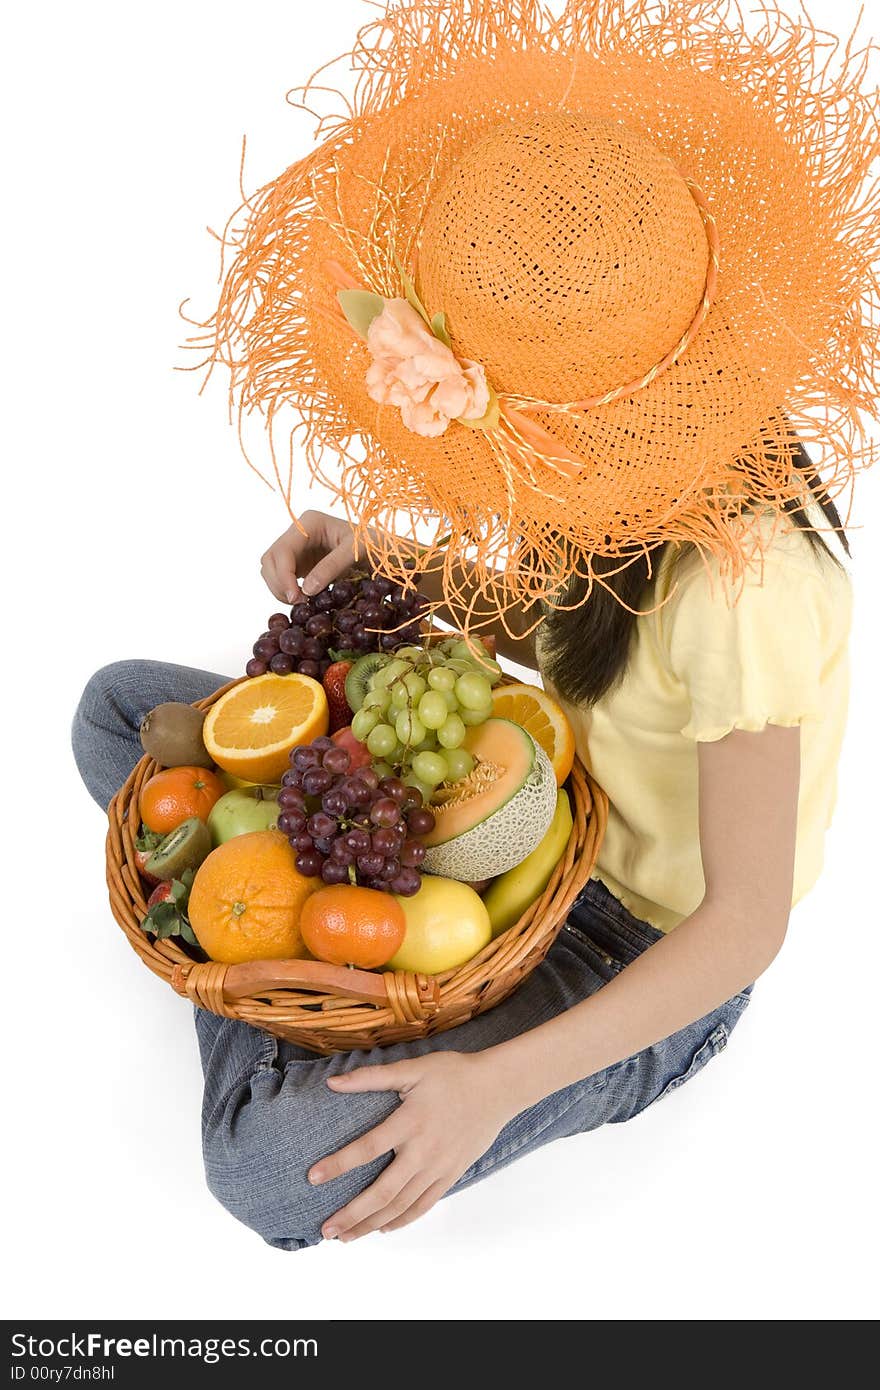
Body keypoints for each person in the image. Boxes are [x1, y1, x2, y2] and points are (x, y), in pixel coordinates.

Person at [72, 0, 875, 1250]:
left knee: (265, 1170)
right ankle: (305, 966)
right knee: (116, 708)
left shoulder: (743, 590)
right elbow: (565, 639)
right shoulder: (635, 488)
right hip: (527, 814)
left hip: (628, 949)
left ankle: (278, 971)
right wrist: (394, 560)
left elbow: (743, 923)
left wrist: (491, 1084)